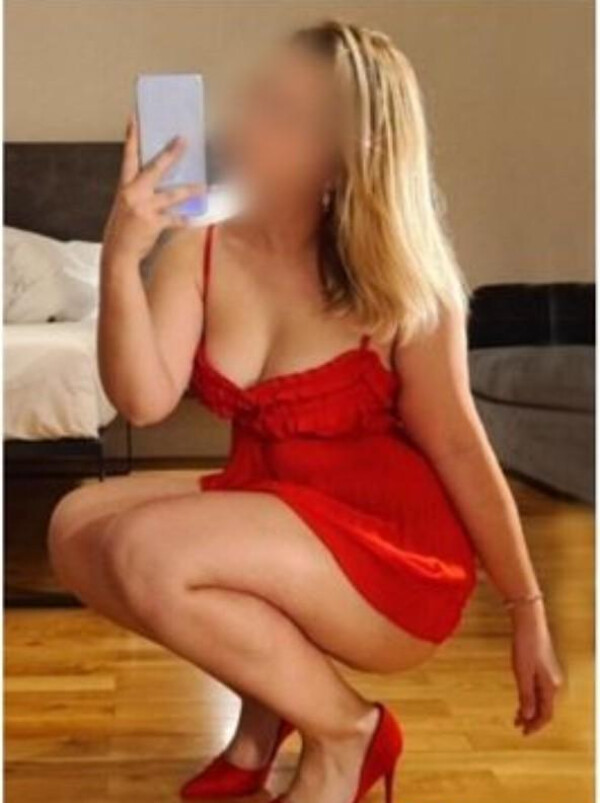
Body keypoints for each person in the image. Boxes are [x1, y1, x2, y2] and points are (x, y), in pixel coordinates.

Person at [48, 20, 563, 803]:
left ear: (342, 154)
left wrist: (528, 609)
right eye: (255, 97)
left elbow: (461, 448)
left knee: (148, 552)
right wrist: (122, 254)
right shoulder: (202, 244)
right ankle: (272, 705)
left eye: (282, 113)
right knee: (76, 527)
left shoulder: (405, 286)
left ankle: (349, 733)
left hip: (389, 552)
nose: (244, 123)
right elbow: (143, 400)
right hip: (272, 505)